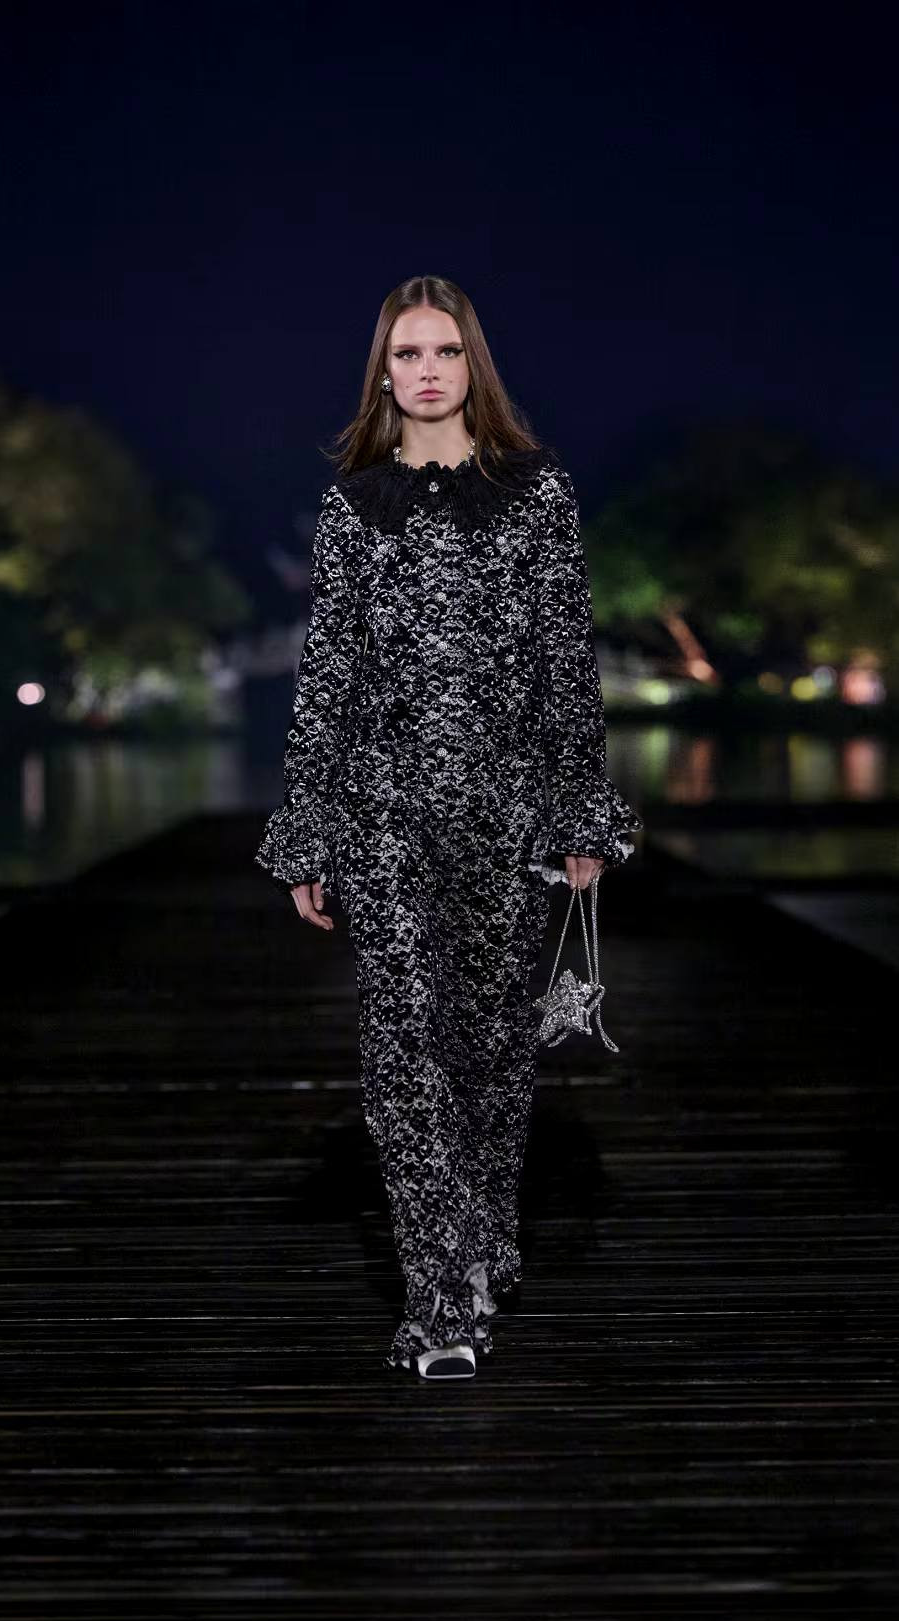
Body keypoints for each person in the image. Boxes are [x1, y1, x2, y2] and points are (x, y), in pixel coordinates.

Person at [255, 274, 643, 1378]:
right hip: (383, 808)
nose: (426, 371)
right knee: (404, 1040)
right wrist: (309, 824)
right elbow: (328, 676)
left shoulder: (537, 493)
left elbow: (566, 660)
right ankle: (439, 1301)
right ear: (382, 373)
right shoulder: (353, 505)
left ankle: (482, 1240)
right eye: (406, 354)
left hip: (507, 805)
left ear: (474, 364)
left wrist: (578, 807)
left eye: (444, 351)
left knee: (492, 1044)